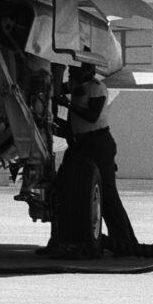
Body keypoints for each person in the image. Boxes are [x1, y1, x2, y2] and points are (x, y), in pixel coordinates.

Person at [40, 62, 138, 257]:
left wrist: (66, 104)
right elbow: (69, 111)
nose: (71, 73)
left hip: (98, 142)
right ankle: (59, 241)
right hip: (79, 143)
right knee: (62, 187)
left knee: (108, 194)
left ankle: (125, 241)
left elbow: (92, 116)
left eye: (75, 70)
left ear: (86, 71)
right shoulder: (78, 87)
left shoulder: (96, 88)